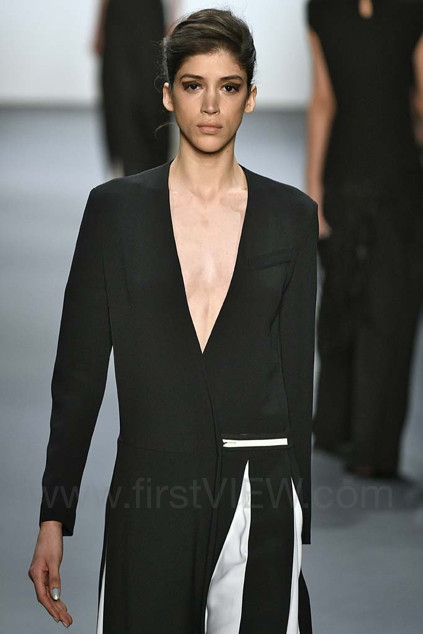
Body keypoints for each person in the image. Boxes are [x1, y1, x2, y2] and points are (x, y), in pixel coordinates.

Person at [28, 8, 318, 632]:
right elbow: (78, 374)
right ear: (168, 94)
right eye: (193, 85)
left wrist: (299, 516)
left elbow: (297, 370)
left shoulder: (291, 215)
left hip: (259, 487)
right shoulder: (114, 212)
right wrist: (55, 513)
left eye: (228, 86)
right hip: (149, 488)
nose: (211, 105)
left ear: (250, 98)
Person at [306, 0, 423, 478]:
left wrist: (313, 190)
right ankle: (372, 449)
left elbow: (323, 100)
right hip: (399, 175)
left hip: (343, 174)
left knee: (342, 301)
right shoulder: (413, 9)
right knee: (390, 310)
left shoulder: (321, 9)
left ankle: (335, 429)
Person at [92, 0, 172, 176]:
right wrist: (100, 27)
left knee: (150, 90)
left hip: (146, 16)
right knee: (120, 92)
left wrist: (172, 18)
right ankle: (129, 164)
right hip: (121, 18)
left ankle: (152, 164)